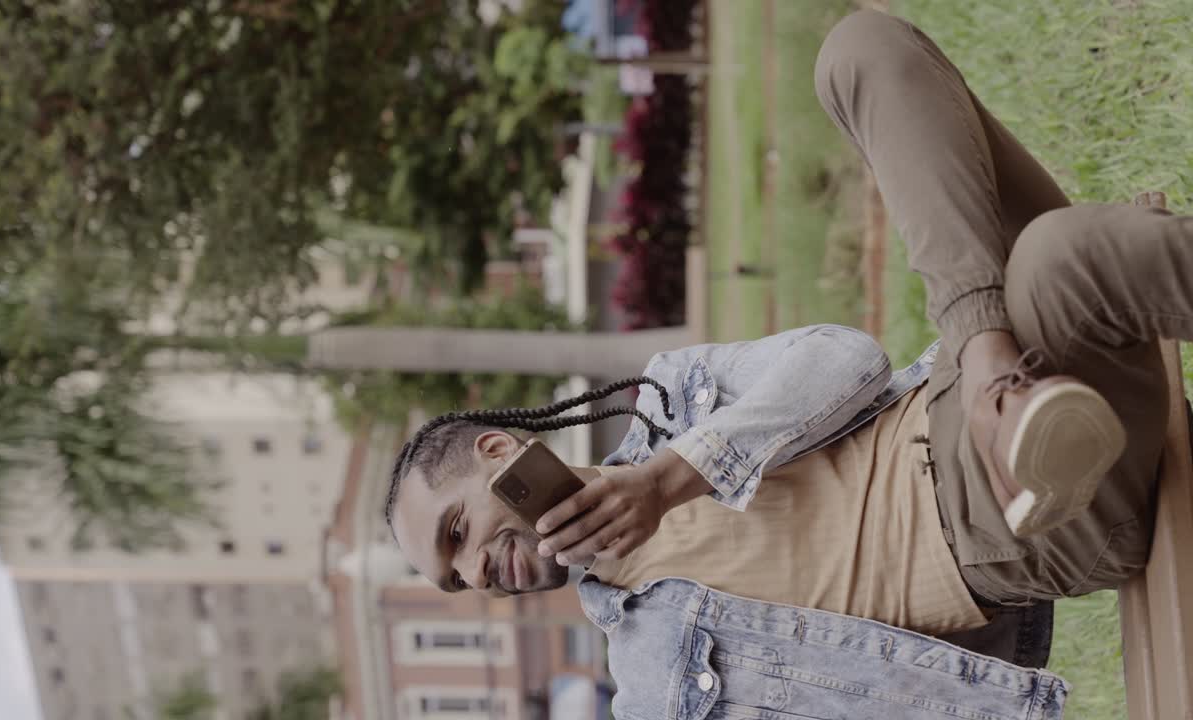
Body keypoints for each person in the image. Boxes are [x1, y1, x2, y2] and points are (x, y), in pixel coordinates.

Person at [386, 8, 1192, 718]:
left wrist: (672, 477)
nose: (476, 573)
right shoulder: (651, 682)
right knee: (1062, 256)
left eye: (458, 532)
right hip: (1010, 525)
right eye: (455, 581)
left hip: (967, 390)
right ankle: (995, 373)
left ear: (499, 454)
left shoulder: (673, 397)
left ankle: (989, 365)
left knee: (860, 49)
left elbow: (850, 361)